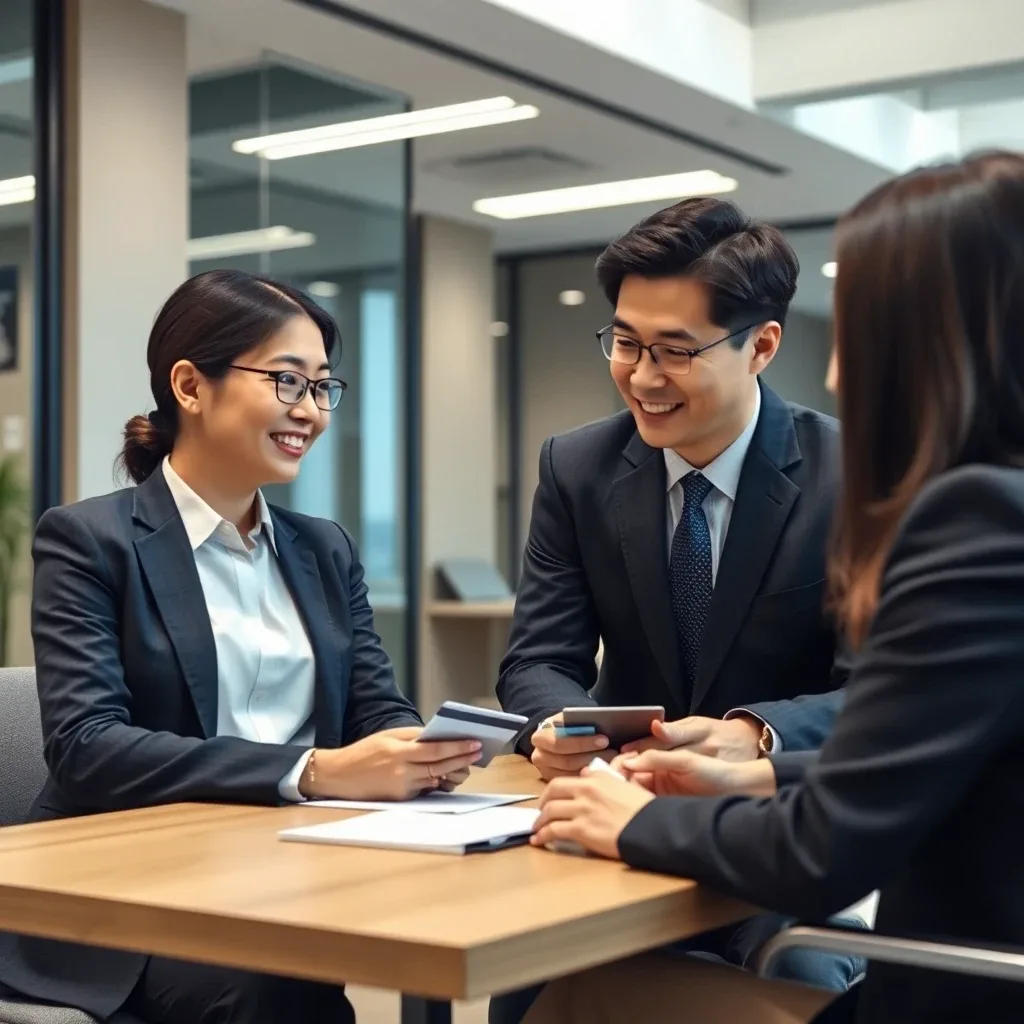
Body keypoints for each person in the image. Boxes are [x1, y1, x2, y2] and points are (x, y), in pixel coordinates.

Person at [527, 150, 1024, 1024]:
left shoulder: (971, 518)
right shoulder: (577, 465)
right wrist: (748, 777)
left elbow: (827, 845)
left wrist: (632, 818)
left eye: (860, 331)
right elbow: (933, 745)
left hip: (953, 992)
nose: (836, 374)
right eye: (627, 343)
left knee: (573, 999)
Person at [0, 270, 482, 1024]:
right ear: (190, 386)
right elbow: (88, 747)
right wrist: (313, 771)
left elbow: (375, 707)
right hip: (124, 896)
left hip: (292, 866)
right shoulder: (90, 539)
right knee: (278, 984)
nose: (311, 411)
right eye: (288, 381)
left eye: (322, 387)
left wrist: (421, 752)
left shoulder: (324, 548)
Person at [491, 198, 857, 1022]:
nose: (642, 376)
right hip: (613, 811)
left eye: (676, 351)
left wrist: (753, 732)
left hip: (775, 831)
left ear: (762, 345)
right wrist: (558, 726)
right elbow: (538, 658)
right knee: (520, 975)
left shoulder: (852, 475)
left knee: (803, 977)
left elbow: (873, 693)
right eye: (625, 343)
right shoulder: (578, 467)